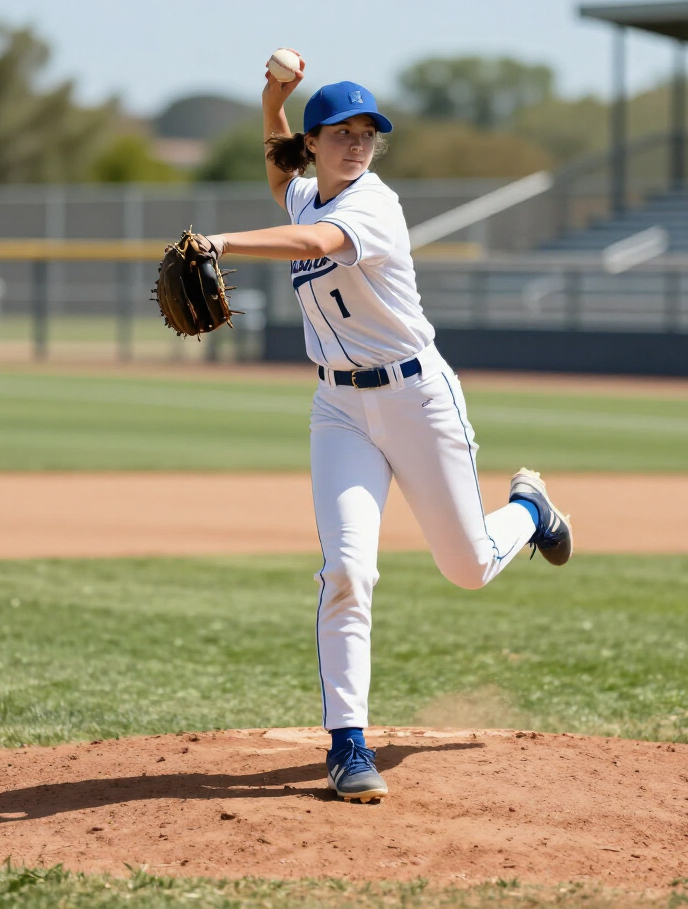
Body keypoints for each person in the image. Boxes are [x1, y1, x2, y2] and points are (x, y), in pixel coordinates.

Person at [202, 52, 573, 803]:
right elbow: (280, 169)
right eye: (340, 132)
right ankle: (348, 745)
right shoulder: (307, 190)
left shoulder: (372, 205)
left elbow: (314, 245)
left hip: (417, 400)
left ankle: (529, 509)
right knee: (347, 570)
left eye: (368, 133)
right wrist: (275, 96)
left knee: (466, 567)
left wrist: (220, 242)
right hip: (338, 410)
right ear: (317, 142)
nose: (357, 144)